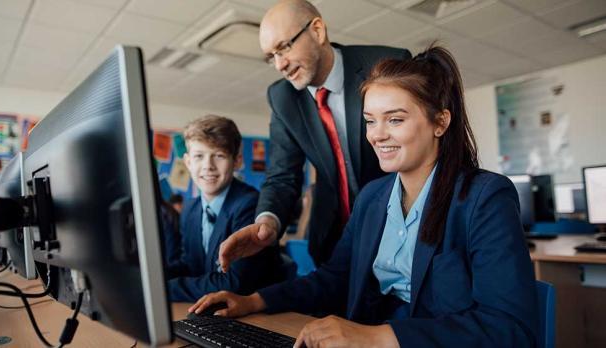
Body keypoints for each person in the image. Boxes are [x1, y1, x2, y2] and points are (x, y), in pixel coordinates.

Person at [189, 46, 538, 347]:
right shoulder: (373, 197)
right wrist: (254, 301)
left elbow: (509, 329)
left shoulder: (484, 197)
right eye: (370, 121)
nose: (377, 135)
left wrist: (376, 337)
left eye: (395, 120)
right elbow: (334, 278)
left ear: (440, 123)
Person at [219, 0, 412, 269]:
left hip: (399, 231)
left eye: (284, 48)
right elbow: (282, 175)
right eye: (270, 56)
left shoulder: (385, 66)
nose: (279, 65)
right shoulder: (283, 97)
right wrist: (267, 223)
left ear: (318, 31)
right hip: (334, 239)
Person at [167, 115, 284, 302]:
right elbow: (190, 265)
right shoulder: (190, 209)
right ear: (188, 162)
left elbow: (234, 283)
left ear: (237, 161)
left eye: (219, 155)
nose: (208, 166)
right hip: (211, 313)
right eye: (199, 156)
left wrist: (166, 289)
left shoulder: (250, 204)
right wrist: (152, 277)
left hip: (257, 318)